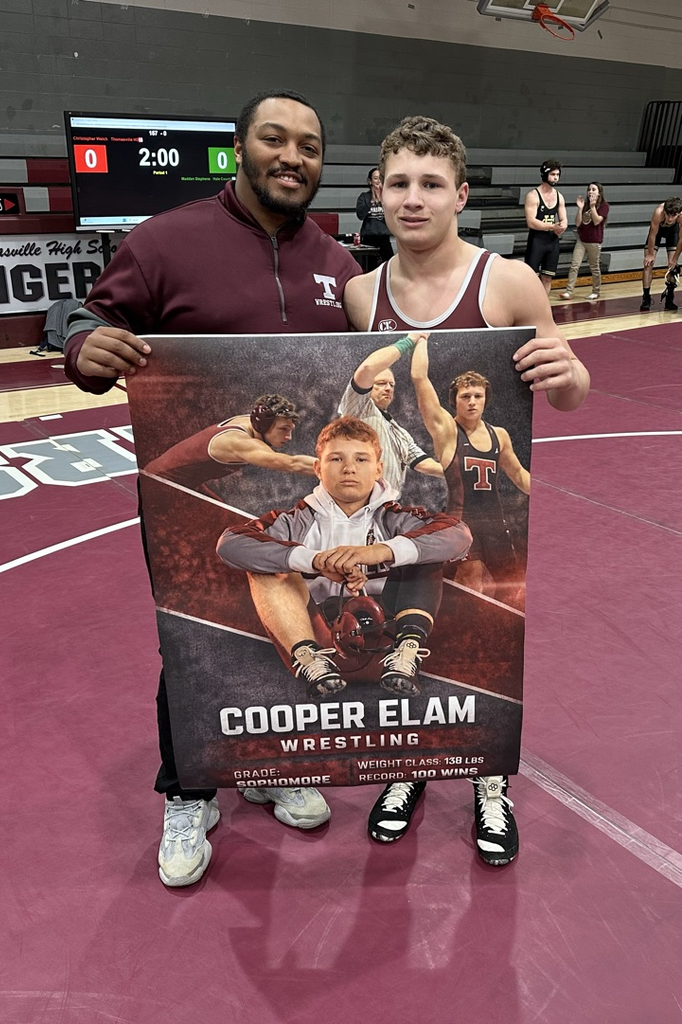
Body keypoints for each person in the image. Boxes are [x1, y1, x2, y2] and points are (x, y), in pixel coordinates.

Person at [63, 89, 362, 888]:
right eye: (275, 138)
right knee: (192, 639)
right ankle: (188, 790)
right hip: (188, 501)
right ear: (239, 149)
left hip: (289, 515)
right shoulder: (165, 241)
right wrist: (84, 344)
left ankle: (268, 767)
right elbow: (80, 314)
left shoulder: (339, 264)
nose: (293, 156)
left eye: (310, 144)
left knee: (283, 624)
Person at [343, 115, 590, 864]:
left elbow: (572, 388)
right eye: (399, 184)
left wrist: (568, 374)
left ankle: (488, 779)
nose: (413, 199)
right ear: (378, 194)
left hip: (491, 514)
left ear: (460, 196)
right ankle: (412, 767)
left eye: (431, 184)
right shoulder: (361, 294)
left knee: (487, 641)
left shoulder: (507, 281)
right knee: (412, 643)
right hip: (409, 516)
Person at [216, 416, 472, 701]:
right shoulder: (293, 521)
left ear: (378, 469)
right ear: (318, 468)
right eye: (336, 459)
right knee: (265, 565)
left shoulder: (397, 518)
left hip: (389, 644)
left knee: (423, 551)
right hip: (321, 644)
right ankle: (309, 659)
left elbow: (458, 536)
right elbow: (230, 544)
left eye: (361, 460)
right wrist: (315, 561)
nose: (349, 468)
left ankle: (409, 648)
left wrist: (380, 551)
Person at [410, 357, 530, 606]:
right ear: (454, 401)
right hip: (462, 523)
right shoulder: (447, 430)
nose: (473, 401)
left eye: (478, 395)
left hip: (497, 524)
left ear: (486, 398)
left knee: (512, 587)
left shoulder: (500, 435)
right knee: (470, 584)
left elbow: (518, 475)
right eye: (465, 396)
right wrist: (420, 340)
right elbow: (420, 379)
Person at [143, 394, 314, 497]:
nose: (288, 437)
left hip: (185, 483)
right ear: (262, 425)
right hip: (159, 484)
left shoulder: (252, 421)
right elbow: (291, 464)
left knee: (225, 524)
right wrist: (334, 468)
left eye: (290, 430)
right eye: (283, 429)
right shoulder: (237, 442)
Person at [338, 333, 443, 494]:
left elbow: (423, 464)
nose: (388, 388)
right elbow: (367, 368)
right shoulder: (358, 407)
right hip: (359, 504)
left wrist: (462, 473)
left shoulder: (399, 432)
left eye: (391, 385)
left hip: (387, 506)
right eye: (381, 383)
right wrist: (409, 341)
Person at [523, 160, 568, 295]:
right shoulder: (533, 196)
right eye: (553, 174)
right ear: (544, 174)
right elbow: (531, 222)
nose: (556, 177)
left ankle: (543, 308)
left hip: (552, 242)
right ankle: (528, 308)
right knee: (531, 278)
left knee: (547, 278)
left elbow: (564, 218)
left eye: (558, 174)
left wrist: (563, 226)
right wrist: (552, 226)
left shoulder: (559, 196)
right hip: (537, 241)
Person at [560, 182, 609, 301]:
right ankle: (569, 291)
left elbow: (597, 221)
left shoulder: (604, 206)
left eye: (593, 189)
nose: (590, 191)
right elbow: (578, 223)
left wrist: (593, 207)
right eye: (589, 189)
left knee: (594, 267)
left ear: (599, 193)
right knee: (574, 265)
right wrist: (580, 209)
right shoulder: (585, 205)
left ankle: (596, 291)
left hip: (594, 241)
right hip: (582, 240)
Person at [640, 196, 682, 311]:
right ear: (664, 212)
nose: (669, 218)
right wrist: (650, 254)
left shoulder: (681, 217)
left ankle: (669, 298)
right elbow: (653, 234)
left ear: (678, 214)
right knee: (648, 264)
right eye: (668, 214)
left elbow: (681, 240)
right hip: (657, 233)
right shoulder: (659, 212)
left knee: (674, 267)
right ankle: (646, 298)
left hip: (673, 232)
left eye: (673, 216)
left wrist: (674, 259)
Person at [355, 168, 394, 264]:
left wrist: (383, 202)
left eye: (380, 178)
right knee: (369, 266)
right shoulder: (364, 196)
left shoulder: (388, 197)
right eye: (375, 178)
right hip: (369, 238)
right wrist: (371, 201)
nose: (378, 181)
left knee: (389, 265)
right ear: (370, 181)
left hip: (384, 238)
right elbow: (360, 215)